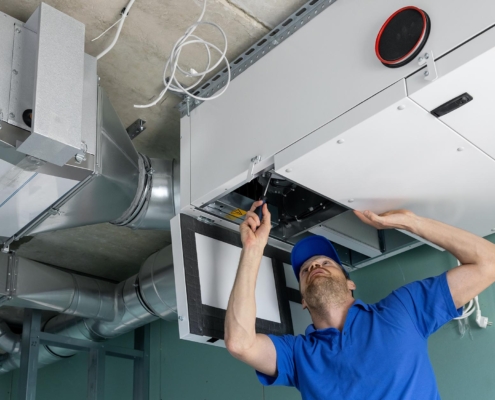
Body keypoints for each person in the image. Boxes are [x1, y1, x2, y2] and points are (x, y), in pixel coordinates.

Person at [224, 200, 495, 399]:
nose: (314, 266)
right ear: (304, 301)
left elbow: (489, 262)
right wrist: (252, 248)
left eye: (325, 262)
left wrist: (411, 222)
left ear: (350, 283)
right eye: (306, 270)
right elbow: (240, 343)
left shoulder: (403, 309)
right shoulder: (297, 356)